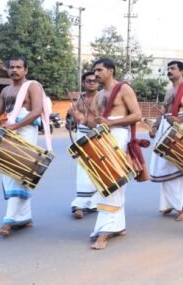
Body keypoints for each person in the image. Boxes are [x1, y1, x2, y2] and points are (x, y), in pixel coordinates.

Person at [0, 56, 48, 237]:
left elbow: (36, 111)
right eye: (12, 67)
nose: (15, 70)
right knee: (12, 173)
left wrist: (15, 126)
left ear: (26, 70)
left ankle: (8, 221)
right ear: (7, 69)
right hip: (8, 131)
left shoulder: (33, 86)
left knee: (18, 172)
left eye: (19, 67)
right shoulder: (6, 90)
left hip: (25, 131)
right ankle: (24, 217)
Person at [90, 58, 142, 250]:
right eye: (94, 70)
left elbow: (137, 115)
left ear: (111, 71)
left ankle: (105, 231)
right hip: (102, 138)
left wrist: (109, 123)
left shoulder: (124, 89)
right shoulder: (98, 94)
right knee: (103, 181)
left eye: (100, 70)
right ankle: (116, 226)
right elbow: (95, 120)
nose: (96, 74)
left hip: (119, 136)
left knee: (113, 182)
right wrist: (82, 118)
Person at [149, 61, 183, 221]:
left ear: (182, 71)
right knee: (167, 167)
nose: (169, 71)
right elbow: (165, 111)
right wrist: (155, 126)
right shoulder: (170, 90)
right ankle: (169, 204)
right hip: (167, 128)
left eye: (172, 69)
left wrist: (180, 119)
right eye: (168, 69)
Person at [67, 71, 101, 219]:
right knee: (83, 169)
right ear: (83, 83)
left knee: (97, 169)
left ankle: (93, 202)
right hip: (82, 134)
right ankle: (80, 204)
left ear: (98, 83)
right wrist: (71, 116)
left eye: (94, 81)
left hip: (97, 135)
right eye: (88, 81)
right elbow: (74, 120)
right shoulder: (80, 99)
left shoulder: (102, 98)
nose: (91, 83)